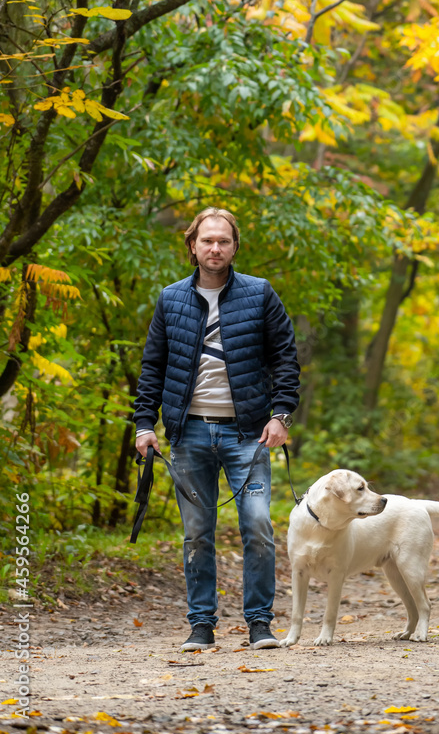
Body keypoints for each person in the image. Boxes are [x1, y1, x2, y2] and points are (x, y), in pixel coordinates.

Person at [133, 207, 300, 651]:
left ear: (234, 247)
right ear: (192, 245)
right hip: (188, 436)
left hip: (249, 435)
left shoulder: (260, 294)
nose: (215, 248)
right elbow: (153, 367)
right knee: (197, 533)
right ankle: (201, 626)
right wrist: (143, 425)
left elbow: (285, 357)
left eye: (223, 241)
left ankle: (260, 623)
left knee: (259, 526)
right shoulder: (170, 299)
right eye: (207, 240)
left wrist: (280, 415)